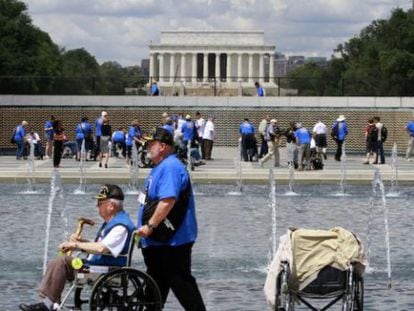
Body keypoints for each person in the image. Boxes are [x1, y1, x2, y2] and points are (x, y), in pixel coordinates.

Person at [19, 184, 136, 311]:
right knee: (59, 261)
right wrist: (82, 242)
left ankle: (48, 305)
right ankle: (52, 302)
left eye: (100, 203)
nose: (97, 206)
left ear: (111, 206)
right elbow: (103, 244)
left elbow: (101, 249)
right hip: (97, 265)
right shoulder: (113, 223)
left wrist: (75, 245)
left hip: (105, 269)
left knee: (62, 262)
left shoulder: (120, 226)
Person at [136, 127, 206, 311]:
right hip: (159, 243)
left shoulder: (170, 167)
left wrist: (150, 226)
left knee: (182, 286)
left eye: (151, 144)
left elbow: (168, 201)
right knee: (154, 292)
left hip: (172, 243)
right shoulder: (161, 167)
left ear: (163, 146)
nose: (147, 147)